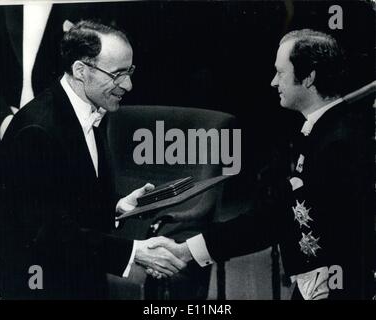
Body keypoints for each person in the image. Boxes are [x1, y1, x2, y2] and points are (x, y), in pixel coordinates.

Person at [147, 29, 374, 300]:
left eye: (280, 72)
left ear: (309, 77)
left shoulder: (338, 144)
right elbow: (278, 213)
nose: (273, 82)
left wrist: (185, 252)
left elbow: (280, 221)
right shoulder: (324, 131)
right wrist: (186, 251)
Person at [0, 20, 185, 300]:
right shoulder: (36, 130)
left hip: (79, 278)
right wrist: (135, 252)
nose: (129, 84)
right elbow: (46, 232)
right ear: (80, 71)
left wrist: (117, 206)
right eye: (118, 74)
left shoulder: (89, 109)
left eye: (130, 71)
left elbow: (66, 200)